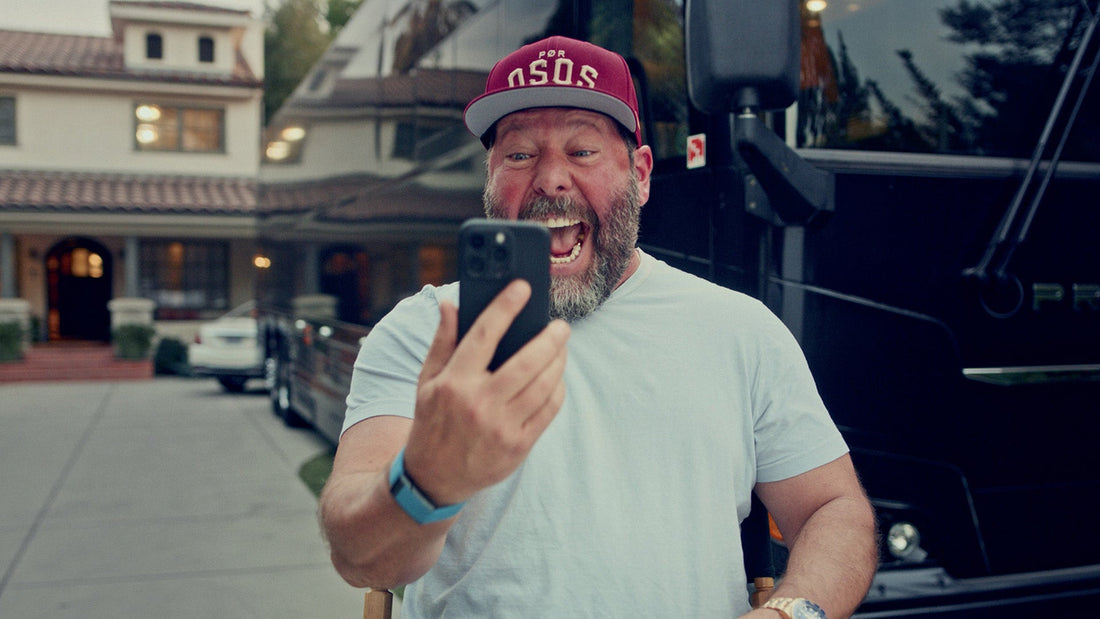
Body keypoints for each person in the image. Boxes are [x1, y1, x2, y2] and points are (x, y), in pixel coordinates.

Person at [321, 36, 877, 619]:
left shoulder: (740, 331)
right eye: (519, 155)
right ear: (490, 179)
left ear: (639, 174)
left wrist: (790, 613)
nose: (550, 179)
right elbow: (361, 558)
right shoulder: (425, 332)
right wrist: (426, 479)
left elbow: (834, 508)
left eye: (582, 150)